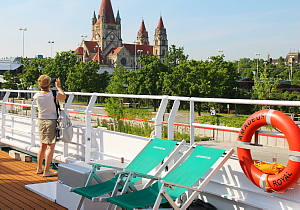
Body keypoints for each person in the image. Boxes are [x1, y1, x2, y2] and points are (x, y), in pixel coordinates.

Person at [33, 75, 66, 177]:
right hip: (51, 120)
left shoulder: (37, 95)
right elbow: (63, 96)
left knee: (42, 145)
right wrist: (58, 87)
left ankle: (39, 168)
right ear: (49, 84)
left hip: (41, 120)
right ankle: (47, 170)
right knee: (51, 146)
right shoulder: (53, 94)